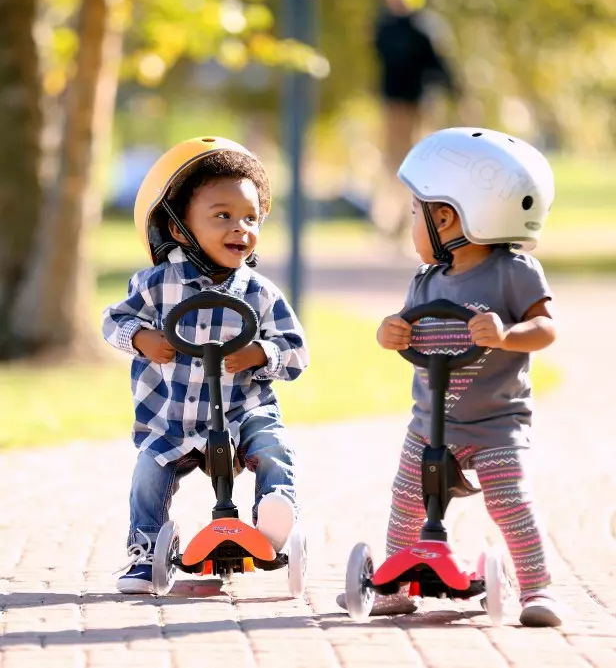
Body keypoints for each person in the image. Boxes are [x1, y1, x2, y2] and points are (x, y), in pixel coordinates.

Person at [341, 126, 562, 627]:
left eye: (415, 213)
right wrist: (389, 332)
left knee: (510, 501)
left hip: (495, 423)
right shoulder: (425, 280)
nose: (412, 222)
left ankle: (537, 590)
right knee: (406, 498)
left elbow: (547, 328)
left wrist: (507, 333)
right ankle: (395, 587)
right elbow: (404, 325)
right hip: (429, 421)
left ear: (448, 216)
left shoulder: (515, 271)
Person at [102, 136, 309, 593]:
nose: (241, 228)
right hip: (172, 416)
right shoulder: (156, 285)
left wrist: (262, 354)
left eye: (251, 218)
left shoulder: (259, 292)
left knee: (274, 444)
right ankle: (144, 550)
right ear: (179, 229)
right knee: (148, 474)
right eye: (223, 216)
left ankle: (274, 515)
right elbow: (111, 320)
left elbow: (296, 351)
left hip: (241, 412)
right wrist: (140, 337)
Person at [371, 0, 459, 240]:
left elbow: (438, 65)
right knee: (396, 162)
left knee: (412, 163)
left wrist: (454, 92)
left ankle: (407, 218)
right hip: (396, 104)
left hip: (415, 104)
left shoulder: (420, 26)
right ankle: (394, 217)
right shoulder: (392, 26)